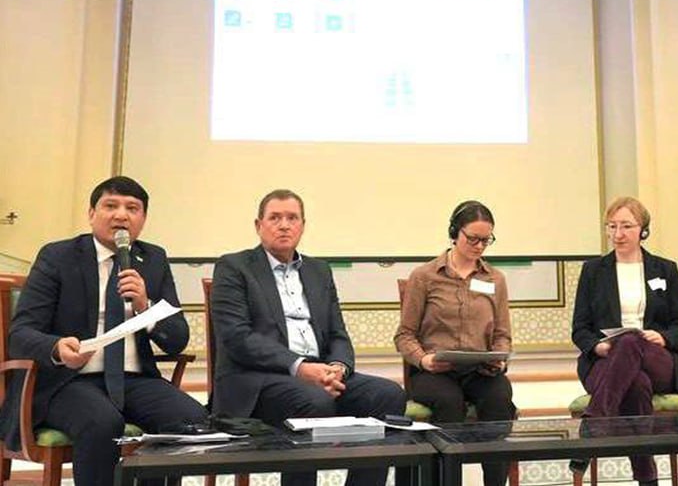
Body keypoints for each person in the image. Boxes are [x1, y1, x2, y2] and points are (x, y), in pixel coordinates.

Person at [0, 176, 206, 486]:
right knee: (102, 422)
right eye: (111, 206)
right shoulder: (58, 256)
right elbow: (21, 334)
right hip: (68, 381)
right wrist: (57, 348)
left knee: (191, 419)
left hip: (134, 379)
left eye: (132, 208)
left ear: (143, 219)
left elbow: (177, 339)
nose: (121, 215)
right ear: (91, 213)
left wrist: (145, 306)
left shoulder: (153, 259)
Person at [211, 189, 406, 486]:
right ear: (258, 225)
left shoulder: (319, 270)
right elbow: (238, 338)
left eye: (292, 218)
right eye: (275, 218)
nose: (284, 225)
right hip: (258, 379)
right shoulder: (234, 267)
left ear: (303, 225)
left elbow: (338, 333)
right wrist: (300, 367)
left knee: (387, 395)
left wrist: (338, 367)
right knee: (314, 401)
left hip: (319, 372)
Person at [570, 196, 678, 485]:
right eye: (612, 226)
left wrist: (663, 337)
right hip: (605, 359)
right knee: (636, 384)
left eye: (626, 226)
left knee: (630, 340)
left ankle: (593, 425)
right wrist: (597, 346)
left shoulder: (665, 269)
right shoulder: (593, 271)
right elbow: (580, 329)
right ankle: (647, 477)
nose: (618, 234)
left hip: (656, 357)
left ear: (643, 230)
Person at [394, 200, 516, 486]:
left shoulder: (495, 279)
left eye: (486, 240)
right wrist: (423, 360)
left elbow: (502, 334)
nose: (479, 246)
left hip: (479, 370)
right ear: (454, 233)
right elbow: (404, 335)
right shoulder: (424, 276)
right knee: (449, 401)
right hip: (434, 372)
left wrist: (499, 358)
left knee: (499, 396)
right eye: (473, 238)